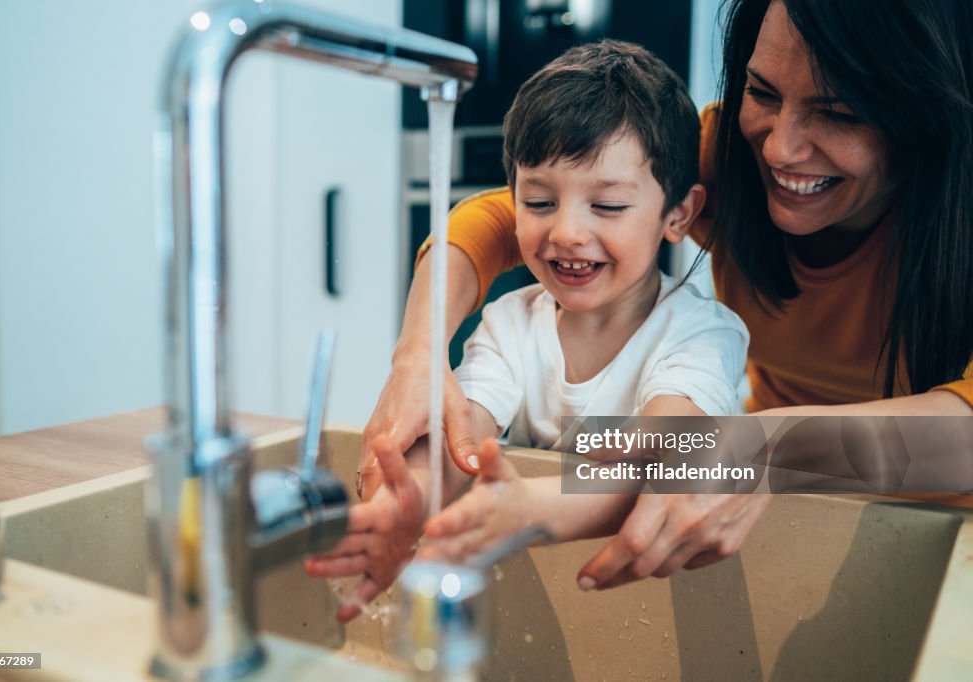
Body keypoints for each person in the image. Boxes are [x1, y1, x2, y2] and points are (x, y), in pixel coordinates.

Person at [360, 0, 973, 591]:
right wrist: (417, 353)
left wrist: (752, 448)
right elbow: (499, 219)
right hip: (763, 500)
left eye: (839, 111)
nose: (780, 149)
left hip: (947, 530)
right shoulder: (732, 157)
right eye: (761, 93)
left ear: (930, 107)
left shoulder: (699, 334)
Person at [307, 40, 748, 620]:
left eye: (608, 206)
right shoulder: (510, 323)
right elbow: (464, 436)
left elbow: (670, 448)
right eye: (539, 201)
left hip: (667, 610)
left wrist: (532, 506)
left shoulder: (701, 331)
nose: (565, 232)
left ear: (678, 215)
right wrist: (406, 498)